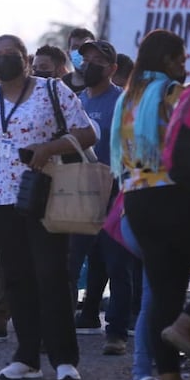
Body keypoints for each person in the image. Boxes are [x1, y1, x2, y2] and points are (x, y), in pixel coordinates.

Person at [0, 35, 96, 380]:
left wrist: (49, 148)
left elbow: (87, 133)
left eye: (11, 54)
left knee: (52, 274)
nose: (3, 59)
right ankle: (26, 357)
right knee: (17, 278)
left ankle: (64, 358)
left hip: (45, 194)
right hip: (0, 202)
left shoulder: (52, 91)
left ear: (26, 58)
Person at [111, 29, 190, 380]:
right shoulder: (173, 95)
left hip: (137, 201)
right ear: (165, 61)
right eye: (179, 59)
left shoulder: (128, 98)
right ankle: (187, 325)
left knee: (165, 290)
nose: (184, 65)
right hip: (176, 195)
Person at [69, 39, 134, 356]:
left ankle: (117, 333)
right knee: (69, 266)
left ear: (113, 69)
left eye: (97, 60)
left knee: (117, 267)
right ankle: (60, 330)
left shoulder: (122, 102)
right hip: (78, 194)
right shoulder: (76, 101)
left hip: (113, 196)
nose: (88, 65)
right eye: (85, 59)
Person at [62, 27, 96, 94]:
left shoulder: (102, 83)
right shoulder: (62, 85)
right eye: (75, 47)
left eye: (85, 47)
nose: (81, 51)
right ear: (68, 54)